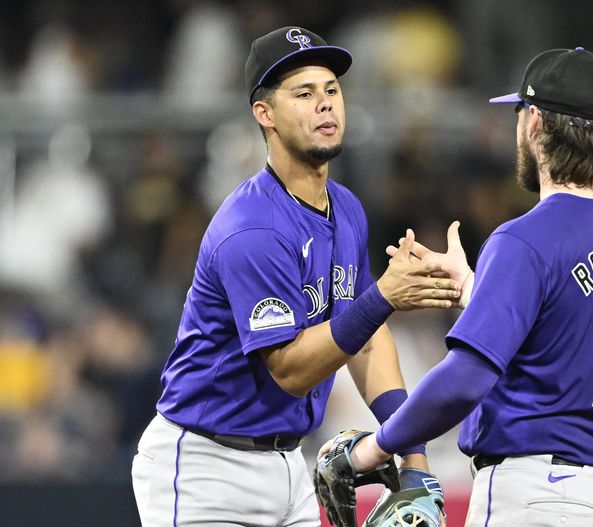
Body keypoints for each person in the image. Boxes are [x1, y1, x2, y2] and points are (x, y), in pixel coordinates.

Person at [131, 26, 460, 527]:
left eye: (331, 90)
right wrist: (385, 297)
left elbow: (365, 342)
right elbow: (288, 371)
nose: (325, 105)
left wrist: (413, 459)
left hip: (288, 463)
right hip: (206, 465)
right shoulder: (252, 228)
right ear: (264, 114)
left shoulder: (346, 210)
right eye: (303, 94)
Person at [342, 47, 593, 526]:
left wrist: (374, 447)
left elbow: (465, 380)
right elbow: (564, 335)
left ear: (534, 123)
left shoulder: (525, 238)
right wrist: (476, 287)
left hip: (539, 496)